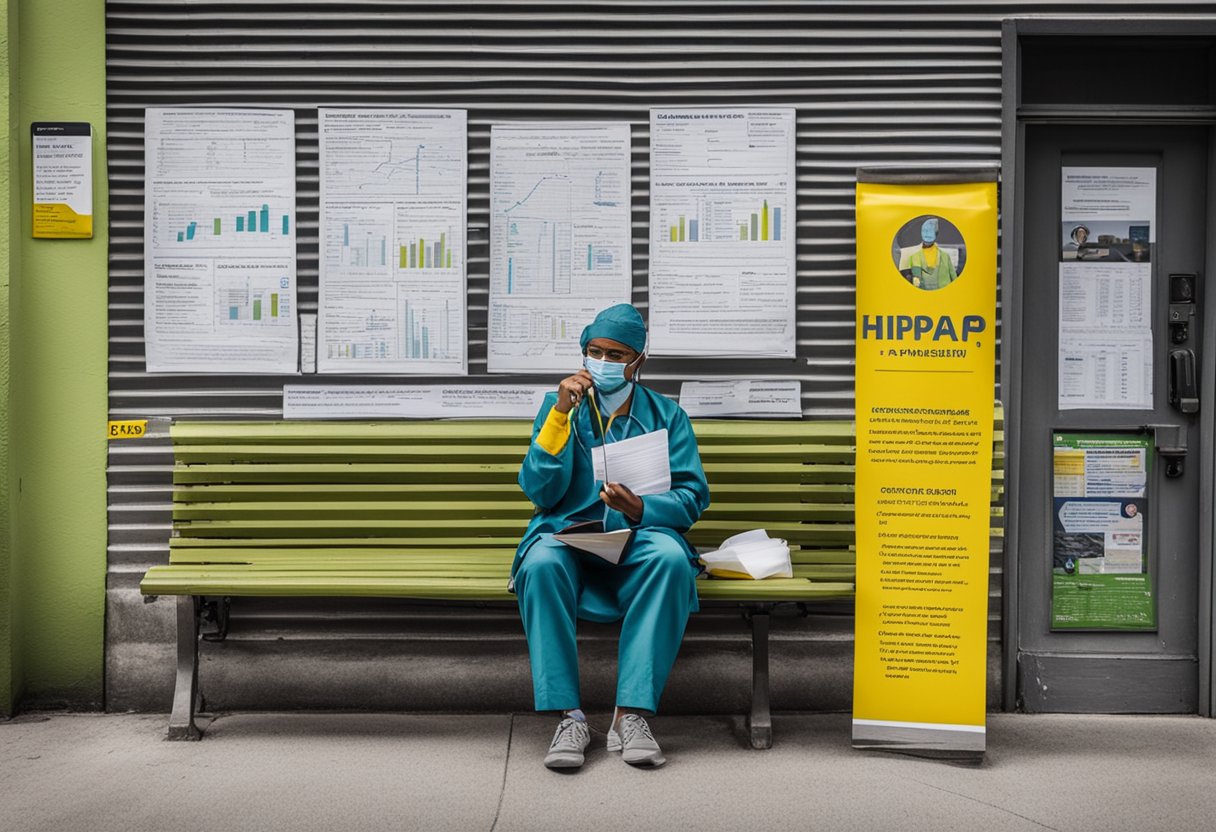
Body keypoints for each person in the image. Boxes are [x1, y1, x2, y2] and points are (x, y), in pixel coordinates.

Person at [510, 303, 710, 770]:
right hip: (566, 535)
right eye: (595, 352)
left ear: (639, 360)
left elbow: (691, 498)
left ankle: (631, 716)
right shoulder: (560, 408)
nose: (603, 362)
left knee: (670, 557)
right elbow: (539, 490)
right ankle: (570, 718)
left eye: (616, 354)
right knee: (540, 562)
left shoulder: (666, 415)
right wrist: (560, 415)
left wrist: (641, 508)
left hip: (637, 537)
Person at [906, 217, 957, 290]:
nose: (927, 234)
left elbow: (954, 278)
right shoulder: (914, 256)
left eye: (930, 231)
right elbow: (915, 278)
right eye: (924, 231)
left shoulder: (945, 256)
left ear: (936, 233)